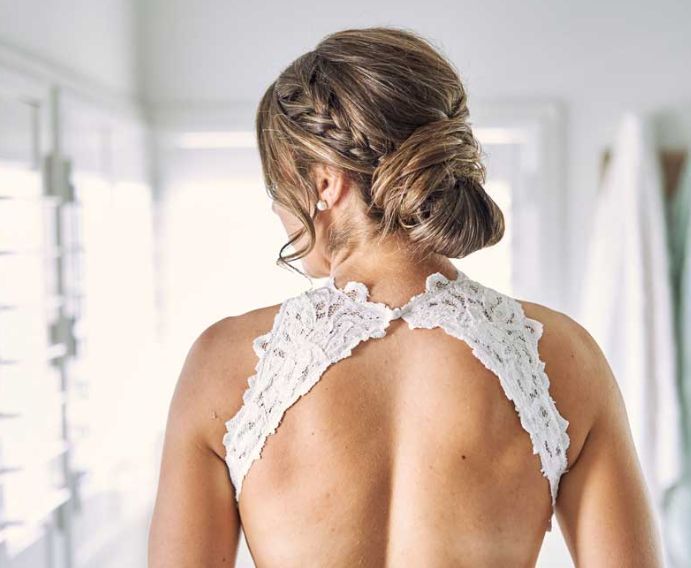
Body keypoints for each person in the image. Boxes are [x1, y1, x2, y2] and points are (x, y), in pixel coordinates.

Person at [148, 26, 663, 567]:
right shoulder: (564, 357)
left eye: (279, 187)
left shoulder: (223, 365)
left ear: (324, 184)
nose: (278, 209)